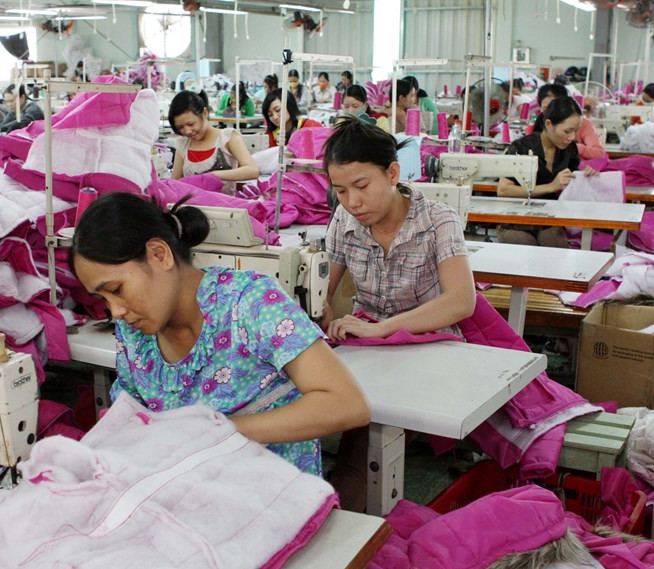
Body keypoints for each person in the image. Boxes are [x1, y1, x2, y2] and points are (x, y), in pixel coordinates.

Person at [71, 192, 371, 478]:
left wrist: (217, 432)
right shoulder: (134, 332)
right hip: (188, 490)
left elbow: (346, 404)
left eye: (116, 290)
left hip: (273, 493)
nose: (115, 311)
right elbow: (131, 417)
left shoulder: (250, 303)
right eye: (103, 300)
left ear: (159, 255)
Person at [318, 118, 475, 511]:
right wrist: (321, 311)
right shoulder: (344, 220)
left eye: (361, 186)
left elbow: (461, 301)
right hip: (370, 347)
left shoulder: (438, 220)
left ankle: (348, 510)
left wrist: (382, 329)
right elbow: (322, 292)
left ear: (392, 173)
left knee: (362, 436)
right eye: (340, 191)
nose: (352, 202)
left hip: (432, 348)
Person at [497, 96, 599, 247]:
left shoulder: (568, 149)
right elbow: (503, 190)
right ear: (549, 124)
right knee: (526, 248)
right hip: (515, 219)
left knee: (556, 249)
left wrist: (585, 175)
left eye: (575, 131)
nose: (571, 137)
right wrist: (551, 186)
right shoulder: (521, 147)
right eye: (567, 131)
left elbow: (571, 182)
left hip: (549, 218)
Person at [169, 90, 259, 194]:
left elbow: (252, 171)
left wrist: (214, 175)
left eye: (191, 124)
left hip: (225, 203)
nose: (187, 131)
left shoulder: (227, 138)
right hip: (192, 203)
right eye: (180, 127)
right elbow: (174, 184)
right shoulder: (183, 144)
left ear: (205, 113)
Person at [537, 83, 604, 160]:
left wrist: (575, 148)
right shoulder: (538, 124)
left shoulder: (583, 123)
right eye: (546, 109)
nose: (550, 114)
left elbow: (598, 153)